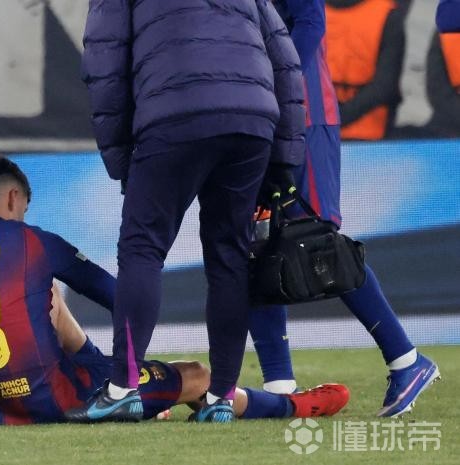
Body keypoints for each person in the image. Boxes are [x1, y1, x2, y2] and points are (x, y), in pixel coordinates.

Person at [0, 155, 349, 426]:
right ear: (13, 199)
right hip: (62, 402)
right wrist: (131, 369)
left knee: (46, 297)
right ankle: (293, 407)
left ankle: (121, 384)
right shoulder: (34, 242)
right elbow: (116, 295)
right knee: (198, 375)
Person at [73, 0, 305, 423]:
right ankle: (221, 399)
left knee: (142, 248)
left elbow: (105, 65)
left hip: (173, 112)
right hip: (252, 117)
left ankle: (122, 389)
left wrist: (122, 161)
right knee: (230, 257)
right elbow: (284, 58)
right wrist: (285, 159)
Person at [249, 0, 440, 418]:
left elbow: (310, 21)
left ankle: (406, 359)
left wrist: (274, 84)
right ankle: (280, 387)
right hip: (254, 113)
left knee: (318, 242)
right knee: (256, 240)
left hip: (302, 114)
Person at [324, 0, 406, 140]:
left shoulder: (387, 16)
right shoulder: (387, 14)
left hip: (364, 137)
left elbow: (385, 87)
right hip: (364, 137)